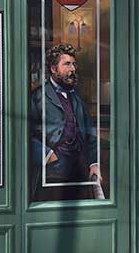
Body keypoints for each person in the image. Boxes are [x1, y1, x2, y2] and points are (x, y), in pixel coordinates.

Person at [30, 43, 102, 198]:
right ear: (54, 69)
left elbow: (90, 131)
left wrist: (94, 164)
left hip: (79, 172)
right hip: (52, 175)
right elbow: (23, 134)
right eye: (67, 64)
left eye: (74, 64)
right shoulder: (37, 97)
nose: (73, 69)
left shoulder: (76, 96)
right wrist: (47, 155)